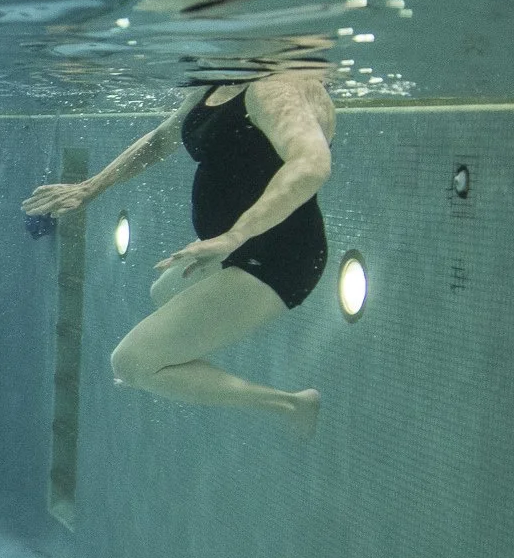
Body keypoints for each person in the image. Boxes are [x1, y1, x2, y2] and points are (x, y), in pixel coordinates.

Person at [22, 66, 333, 435]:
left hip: (279, 256)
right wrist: (90, 187)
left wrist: (233, 236)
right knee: (162, 293)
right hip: (235, 250)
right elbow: (159, 140)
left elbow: (311, 165)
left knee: (131, 364)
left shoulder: (273, 88)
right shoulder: (217, 83)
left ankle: (292, 403)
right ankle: (178, 361)